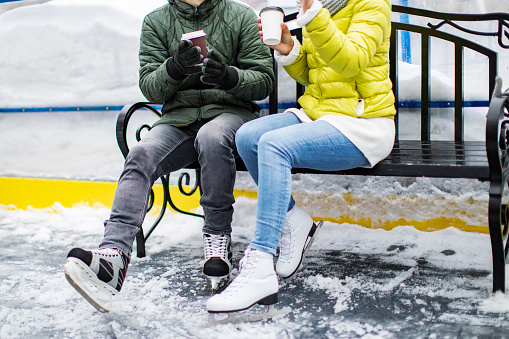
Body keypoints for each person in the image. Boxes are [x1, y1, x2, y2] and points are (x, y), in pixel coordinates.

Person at [64, 0, 274, 313]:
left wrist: (229, 77)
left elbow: (264, 81)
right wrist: (173, 68)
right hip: (179, 120)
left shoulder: (240, 15)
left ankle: (217, 240)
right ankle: (113, 258)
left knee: (212, 137)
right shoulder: (157, 21)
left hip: (231, 113)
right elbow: (150, 88)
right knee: (141, 153)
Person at [207, 0, 396, 313]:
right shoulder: (324, 8)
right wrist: (289, 47)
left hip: (363, 125)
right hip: (322, 116)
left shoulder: (372, 4)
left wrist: (314, 16)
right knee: (249, 137)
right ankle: (294, 220)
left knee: (274, 145)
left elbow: (351, 61)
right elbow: (315, 76)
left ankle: (260, 265)